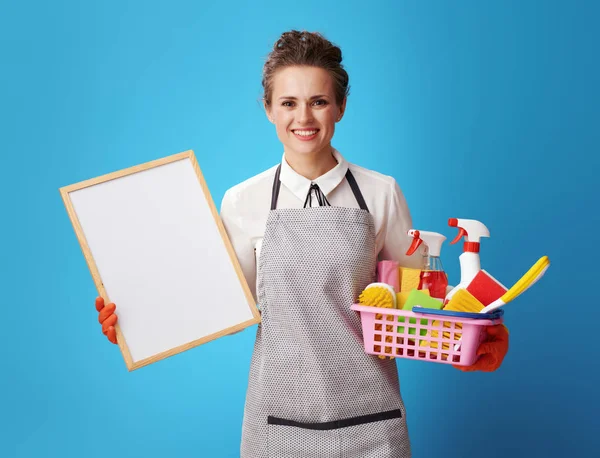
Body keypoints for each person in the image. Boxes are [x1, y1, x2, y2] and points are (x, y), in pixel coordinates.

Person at [94, 30, 509, 457]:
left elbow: (422, 302)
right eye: (288, 103)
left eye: (319, 101)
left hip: (371, 423)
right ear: (269, 110)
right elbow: (215, 303)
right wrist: (137, 321)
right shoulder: (242, 201)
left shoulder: (381, 193)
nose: (304, 118)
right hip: (277, 425)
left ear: (341, 107)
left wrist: (477, 338)